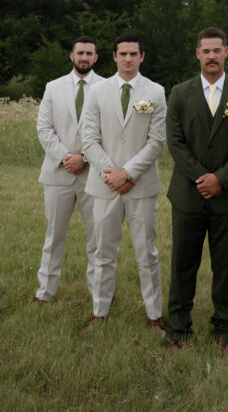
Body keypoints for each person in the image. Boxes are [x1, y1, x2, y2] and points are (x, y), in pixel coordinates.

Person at [166, 27, 228, 352]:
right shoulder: (179, 93)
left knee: (225, 266)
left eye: (217, 50)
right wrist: (202, 178)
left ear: (226, 52)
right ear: (197, 54)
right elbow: (175, 143)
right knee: (183, 264)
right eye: (205, 51)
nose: (211, 56)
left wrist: (221, 178)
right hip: (188, 196)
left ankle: (224, 330)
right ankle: (178, 330)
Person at [81, 33, 167, 333]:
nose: (128, 59)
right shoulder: (98, 91)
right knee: (103, 253)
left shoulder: (155, 92)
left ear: (142, 56)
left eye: (134, 54)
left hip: (141, 185)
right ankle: (99, 312)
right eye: (123, 54)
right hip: (104, 184)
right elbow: (88, 138)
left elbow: (157, 142)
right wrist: (112, 174)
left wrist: (128, 173)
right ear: (114, 57)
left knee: (147, 253)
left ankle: (155, 315)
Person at [34, 36, 103, 304]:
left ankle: (98, 295)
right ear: (71, 56)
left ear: (96, 58)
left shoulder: (106, 87)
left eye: (89, 53)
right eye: (80, 53)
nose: (84, 57)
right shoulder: (53, 87)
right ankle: (45, 293)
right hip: (58, 172)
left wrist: (84, 157)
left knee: (96, 239)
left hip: (93, 173)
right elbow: (44, 128)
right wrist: (66, 157)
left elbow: (107, 130)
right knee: (54, 237)